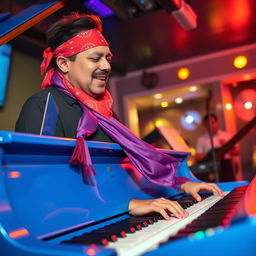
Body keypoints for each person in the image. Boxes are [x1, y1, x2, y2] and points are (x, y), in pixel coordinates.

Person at [15, 12, 224, 220]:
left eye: (107, 58)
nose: (106, 66)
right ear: (63, 64)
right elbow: (40, 187)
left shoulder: (106, 112)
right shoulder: (44, 105)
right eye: (95, 58)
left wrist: (183, 184)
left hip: (112, 215)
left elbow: (133, 167)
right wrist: (127, 205)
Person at [196, 113, 239, 181]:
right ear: (205, 125)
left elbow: (237, 152)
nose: (211, 125)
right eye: (208, 124)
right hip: (211, 168)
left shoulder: (226, 135)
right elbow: (199, 156)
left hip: (227, 166)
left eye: (213, 122)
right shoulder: (201, 139)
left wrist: (226, 146)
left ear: (217, 122)